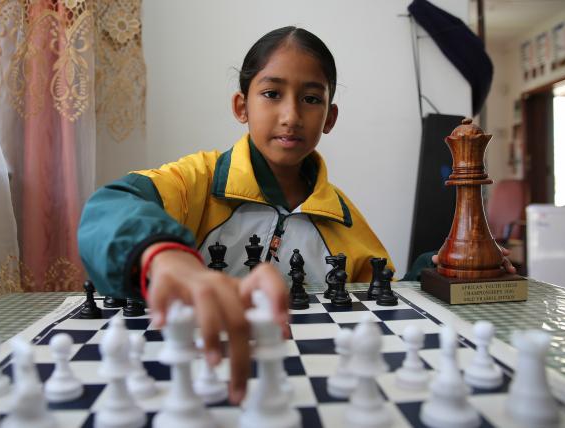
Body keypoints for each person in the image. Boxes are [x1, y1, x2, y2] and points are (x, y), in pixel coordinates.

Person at [77, 26, 511, 403]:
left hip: (304, 390)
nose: (290, 116)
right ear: (241, 106)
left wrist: (440, 268)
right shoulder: (194, 182)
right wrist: (165, 257)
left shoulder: (344, 222)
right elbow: (109, 207)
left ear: (330, 117)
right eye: (271, 94)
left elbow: (384, 301)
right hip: (181, 377)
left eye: (310, 99)